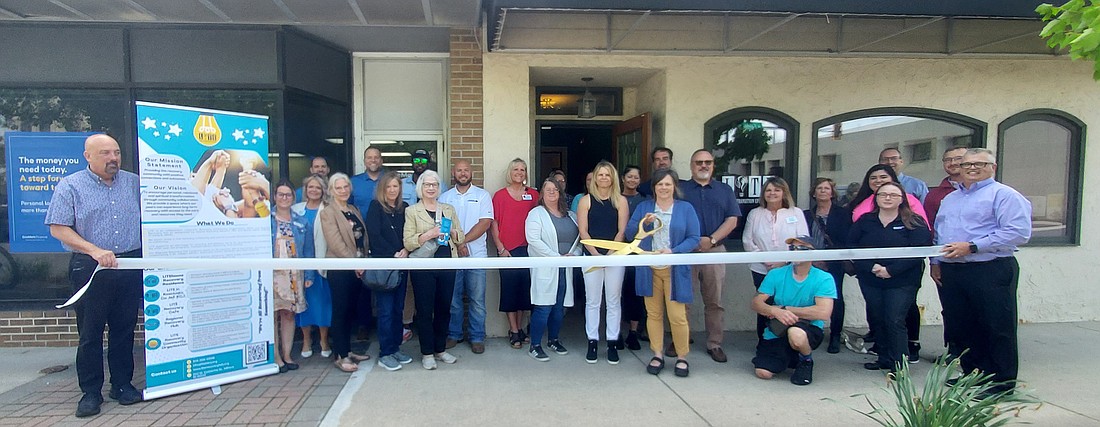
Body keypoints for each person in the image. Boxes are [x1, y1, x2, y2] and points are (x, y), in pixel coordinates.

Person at [46, 134, 142, 418]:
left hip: (128, 264)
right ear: (88, 156)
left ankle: (122, 385)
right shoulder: (70, 186)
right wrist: (94, 250)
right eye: (104, 153)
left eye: (116, 152)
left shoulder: (134, 183)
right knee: (90, 333)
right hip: (92, 267)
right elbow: (58, 228)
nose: (113, 158)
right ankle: (90, 392)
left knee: (124, 329)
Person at [936, 148, 1031, 395]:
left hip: (990, 268)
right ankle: (973, 375)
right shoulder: (951, 199)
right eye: (967, 164)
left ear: (993, 167)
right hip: (954, 271)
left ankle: (1001, 383)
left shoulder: (1004, 195)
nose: (972, 168)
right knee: (964, 326)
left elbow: (1018, 232)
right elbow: (940, 233)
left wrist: (973, 246)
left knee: (996, 326)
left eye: (980, 164)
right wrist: (936, 262)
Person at [848, 182, 932, 372]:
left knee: (894, 319)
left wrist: (891, 270)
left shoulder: (914, 222)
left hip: (903, 280)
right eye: (883, 194)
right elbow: (852, 247)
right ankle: (884, 358)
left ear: (902, 199)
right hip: (871, 278)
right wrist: (872, 267)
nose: (887, 198)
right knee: (878, 318)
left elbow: (919, 251)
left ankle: (899, 365)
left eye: (893, 195)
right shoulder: (865, 221)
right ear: (875, 198)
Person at [626, 169, 701, 377]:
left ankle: (682, 357)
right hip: (649, 268)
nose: (664, 188)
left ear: (674, 186)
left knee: (677, 316)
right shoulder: (644, 207)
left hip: (674, 268)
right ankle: (657, 354)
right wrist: (644, 225)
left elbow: (694, 237)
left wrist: (673, 251)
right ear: (654, 187)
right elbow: (630, 233)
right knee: (654, 314)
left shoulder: (685, 208)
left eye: (668, 184)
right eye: (660, 184)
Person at [679, 149, 741, 363]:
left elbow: (732, 220)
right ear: (691, 165)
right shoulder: (681, 189)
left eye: (707, 162)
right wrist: (691, 241)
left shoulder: (724, 190)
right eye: (699, 162)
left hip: (714, 251)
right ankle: (681, 341)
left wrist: (712, 240)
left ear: (713, 165)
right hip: (686, 252)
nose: (703, 166)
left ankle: (714, 344)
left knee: (714, 301)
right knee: (682, 299)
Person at [750, 237, 836, 386]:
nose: (796, 252)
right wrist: (774, 311)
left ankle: (806, 360)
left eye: (802, 248)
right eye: (792, 248)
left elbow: (823, 313)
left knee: (796, 334)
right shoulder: (776, 274)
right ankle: (790, 357)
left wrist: (786, 310)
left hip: (807, 328)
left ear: (813, 253)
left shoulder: (824, 278)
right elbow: (756, 303)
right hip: (779, 327)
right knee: (763, 372)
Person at [404, 170, 465, 370]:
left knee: (443, 308)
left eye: (434, 185)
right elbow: (408, 242)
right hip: (424, 266)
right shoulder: (412, 211)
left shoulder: (448, 209)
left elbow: (461, 237)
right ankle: (427, 352)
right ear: (420, 188)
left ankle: (440, 349)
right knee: (424, 310)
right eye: (427, 184)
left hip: (447, 264)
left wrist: (454, 232)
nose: (431, 188)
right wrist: (427, 234)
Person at [743, 177, 809, 342]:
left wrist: (783, 262)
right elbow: (747, 240)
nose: (772, 193)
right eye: (768, 190)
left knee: (786, 303)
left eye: (777, 190)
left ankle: (787, 341)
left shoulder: (796, 213)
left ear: (784, 192)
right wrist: (766, 260)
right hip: (761, 268)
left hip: (789, 268)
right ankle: (764, 342)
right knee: (765, 305)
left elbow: (803, 240)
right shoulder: (755, 214)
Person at [524, 178, 582, 361]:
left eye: (555, 190)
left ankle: (553, 340)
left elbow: (580, 240)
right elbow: (533, 240)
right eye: (547, 189)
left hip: (565, 268)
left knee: (559, 307)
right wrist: (555, 257)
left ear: (560, 193)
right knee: (543, 307)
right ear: (542, 193)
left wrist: (575, 255)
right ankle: (535, 345)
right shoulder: (536, 214)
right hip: (546, 267)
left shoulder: (571, 215)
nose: (551, 192)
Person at [439, 159, 494, 354]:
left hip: (477, 256)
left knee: (477, 299)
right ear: (453, 173)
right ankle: (454, 334)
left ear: (472, 173)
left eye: (466, 170)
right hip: (452, 256)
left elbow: (485, 223)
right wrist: (457, 245)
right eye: (459, 170)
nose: (463, 173)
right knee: (453, 299)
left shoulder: (482, 195)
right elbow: (443, 226)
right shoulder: (444, 197)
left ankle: (477, 337)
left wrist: (463, 242)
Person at [577, 161, 629, 364]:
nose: (604, 178)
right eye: (600, 175)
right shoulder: (586, 201)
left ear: (613, 178)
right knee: (592, 301)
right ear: (595, 178)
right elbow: (583, 231)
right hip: (591, 257)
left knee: (614, 301)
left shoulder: (621, 201)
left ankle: (612, 342)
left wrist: (609, 255)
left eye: (608, 175)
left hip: (615, 256)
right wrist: (596, 254)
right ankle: (592, 341)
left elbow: (621, 231)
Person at [319, 173, 371, 373]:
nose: (343, 191)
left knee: (350, 310)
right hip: (341, 269)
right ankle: (340, 355)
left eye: (346, 187)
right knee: (340, 311)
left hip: (357, 268)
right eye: (338, 188)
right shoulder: (328, 212)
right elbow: (335, 242)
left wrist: (363, 261)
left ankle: (348, 350)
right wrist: (354, 262)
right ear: (332, 191)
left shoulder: (353, 209)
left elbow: (362, 238)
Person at [367, 172, 415, 371]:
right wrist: (393, 253)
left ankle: (395, 348)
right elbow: (374, 235)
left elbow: (408, 233)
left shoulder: (404, 208)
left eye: (396, 187)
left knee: (397, 309)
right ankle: (385, 352)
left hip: (401, 265)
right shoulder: (375, 207)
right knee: (385, 311)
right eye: (389, 187)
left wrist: (406, 249)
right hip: (385, 266)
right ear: (382, 189)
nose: (392, 190)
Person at [924, 146, 967, 359]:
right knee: (951, 309)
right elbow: (934, 230)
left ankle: (979, 354)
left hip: (981, 261)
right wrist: (935, 262)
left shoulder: (991, 192)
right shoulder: (936, 195)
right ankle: (955, 352)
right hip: (947, 262)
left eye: (958, 159)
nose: (952, 163)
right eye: (947, 159)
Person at [491, 158, 539, 348]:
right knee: (510, 291)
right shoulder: (500, 196)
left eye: (523, 169)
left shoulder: (533, 195)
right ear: (510, 173)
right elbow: (493, 223)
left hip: (529, 249)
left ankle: (520, 328)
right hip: (507, 250)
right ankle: (513, 330)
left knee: (524, 292)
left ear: (526, 173)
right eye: (516, 169)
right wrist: (500, 247)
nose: (519, 172)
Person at [803, 178, 852, 353]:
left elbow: (847, 238)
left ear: (832, 192)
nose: (823, 191)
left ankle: (835, 335)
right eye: (819, 188)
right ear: (814, 193)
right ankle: (809, 332)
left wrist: (829, 258)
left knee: (835, 298)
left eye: (827, 188)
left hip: (834, 263)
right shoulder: (806, 215)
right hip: (810, 262)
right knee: (809, 296)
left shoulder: (843, 214)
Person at [271, 181, 314, 373]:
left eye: (288, 195)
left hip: (294, 275)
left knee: (288, 315)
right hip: (270, 275)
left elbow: (309, 250)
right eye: (281, 194)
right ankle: (276, 357)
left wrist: (310, 273)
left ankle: (287, 354)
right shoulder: (265, 220)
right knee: (272, 315)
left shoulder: (302, 222)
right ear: (274, 197)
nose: (284, 198)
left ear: (293, 198)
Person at [293, 175, 333, 360]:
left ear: (323, 190)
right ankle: (307, 340)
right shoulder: (295, 210)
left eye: (318, 187)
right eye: (311, 187)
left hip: (321, 263)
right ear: (305, 189)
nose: (314, 190)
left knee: (323, 304)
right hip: (300, 266)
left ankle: (324, 341)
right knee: (304, 305)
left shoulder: (329, 209)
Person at [349, 147, 384, 344]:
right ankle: (363, 324)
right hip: (360, 238)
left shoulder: (389, 179)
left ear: (381, 160)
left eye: (376, 157)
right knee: (362, 283)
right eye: (369, 157)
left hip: (384, 238)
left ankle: (384, 325)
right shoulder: (354, 183)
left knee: (384, 280)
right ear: (364, 160)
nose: (373, 160)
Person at [619, 165, 648, 350]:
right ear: (623, 178)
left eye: (636, 177)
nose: (632, 180)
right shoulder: (615, 198)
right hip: (618, 250)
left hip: (639, 252)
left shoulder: (645, 201)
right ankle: (617, 334)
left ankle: (633, 333)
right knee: (618, 293)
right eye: (629, 176)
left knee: (636, 293)